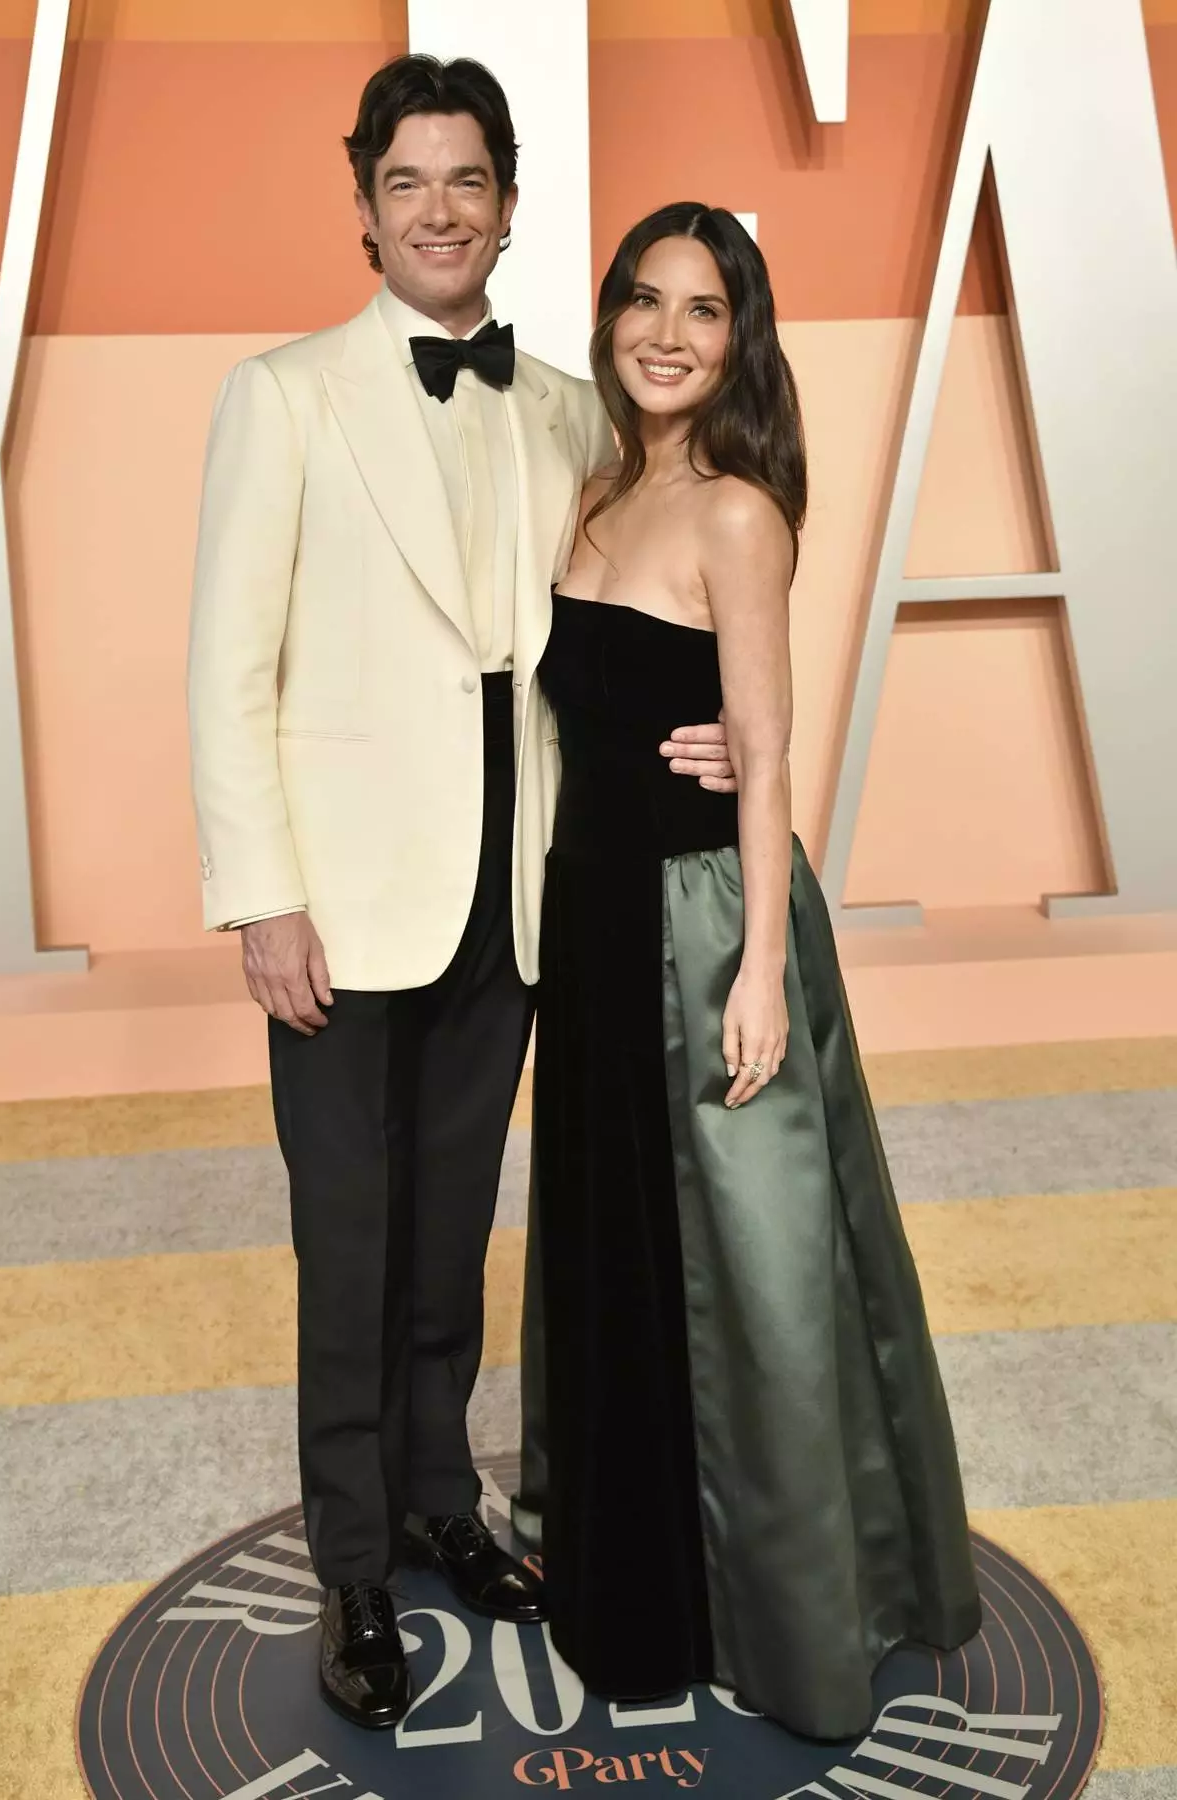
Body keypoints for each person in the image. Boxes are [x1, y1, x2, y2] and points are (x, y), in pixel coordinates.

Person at [186, 63, 736, 1732]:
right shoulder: (281, 397)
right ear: (363, 202)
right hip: (339, 911)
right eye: (407, 180)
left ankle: (439, 1495)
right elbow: (228, 671)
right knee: (347, 1246)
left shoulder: (569, 405)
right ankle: (353, 1559)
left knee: (446, 1245)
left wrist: (725, 726)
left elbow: (683, 546)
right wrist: (262, 897)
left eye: (468, 180)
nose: (439, 209)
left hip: (516, 902)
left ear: (511, 202)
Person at [528, 203, 982, 1741]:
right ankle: (633, 1580)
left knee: (763, 1287)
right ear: (610, 321)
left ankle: (791, 1622)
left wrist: (765, 974)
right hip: (591, 928)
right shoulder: (599, 491)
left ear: (742, 338)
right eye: (645, 301)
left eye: (704, 310)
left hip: (704, 923)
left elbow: (770, 752)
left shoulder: (734, 510)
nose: (668, 331)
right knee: (625, 1266)